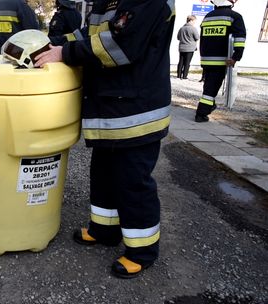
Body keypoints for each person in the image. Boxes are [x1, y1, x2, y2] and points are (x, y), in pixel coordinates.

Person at [34, 0, 175, 279]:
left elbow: (121, 47)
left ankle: (142, 250)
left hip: (137, 115)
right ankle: (104, 230)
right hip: (110, 110)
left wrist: (64, 53)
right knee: (103, 175)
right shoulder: (107, 1)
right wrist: (48, 43)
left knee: (133, 183)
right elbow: (87, 34)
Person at [195, 0, 246, 123]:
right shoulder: (235, 17)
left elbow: (203, 38)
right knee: (211, 89)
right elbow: (239, 39)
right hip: (222, 60)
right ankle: (201, 114)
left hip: (206, 59)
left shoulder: (208, 16)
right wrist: (235, 57)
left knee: (209, 85)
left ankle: (210, 105)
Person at [176, 15, 199, 80]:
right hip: (190, 48)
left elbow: (178, 37)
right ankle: (184, 76)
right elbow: (197, 37)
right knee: (187, 62)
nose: (194, 22)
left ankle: (178, 75)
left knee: (181, 61)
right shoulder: (193, 28)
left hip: (182, 47)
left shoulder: (181, 28)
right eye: (194, 21)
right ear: (191, 20)